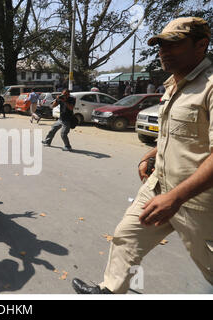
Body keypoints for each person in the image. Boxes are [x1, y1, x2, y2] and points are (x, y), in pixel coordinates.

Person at [72, 17, 213, 294]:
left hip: (198, 204)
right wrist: (151, 154)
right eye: (161, 45)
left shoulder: (209, 86)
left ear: (201, 46)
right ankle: (109, 291)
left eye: (173, 45)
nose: (163, 51)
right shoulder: (173, 85)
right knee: (126, 236)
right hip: (158, 190)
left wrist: (176, 198)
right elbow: (178, 136)